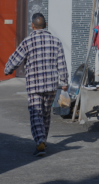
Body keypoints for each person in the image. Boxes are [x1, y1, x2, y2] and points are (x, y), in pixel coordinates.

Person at [5, 13, 68, 157]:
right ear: (45, 25)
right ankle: (43, 141)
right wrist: (64, 81)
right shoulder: (56, 41)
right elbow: (61, 63)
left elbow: (15, 59)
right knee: (45, 114)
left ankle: (40, 141)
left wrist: (7, 69)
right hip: (51, 85)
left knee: (35, 113)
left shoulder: (28, 41)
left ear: (32, 26)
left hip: (34, 85)